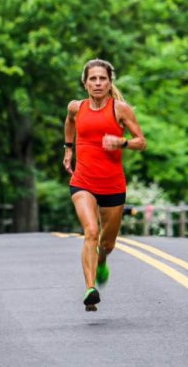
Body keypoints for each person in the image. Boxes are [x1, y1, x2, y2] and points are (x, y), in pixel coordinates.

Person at [63, 59, 146, 311]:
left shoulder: (120, 110)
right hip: (83, 182)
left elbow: (141, 141)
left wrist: (121, 143)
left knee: (107, 244)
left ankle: (101, 262)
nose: (98, 83)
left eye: (102, 79)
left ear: (110, 83)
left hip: (112, 185)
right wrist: (68, 149)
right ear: (85, 82)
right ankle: (90, 289)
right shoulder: (76, 107)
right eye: (93, 79)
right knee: (90, 231)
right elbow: (69, 123)